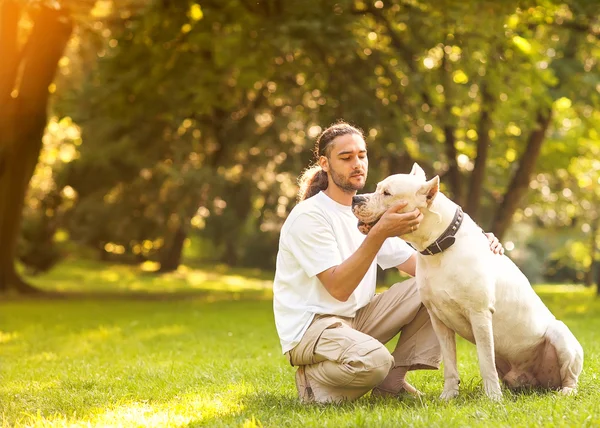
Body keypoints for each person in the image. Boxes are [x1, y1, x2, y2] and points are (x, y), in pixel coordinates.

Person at [272, 121, 504, 404]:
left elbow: (422, 266)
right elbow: (338, 288)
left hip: (357, 318)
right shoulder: (310, 217)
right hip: (313, 327)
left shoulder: (369, 211)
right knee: (375, 362)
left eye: (362, 155)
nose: (357, 164)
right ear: (324, 163)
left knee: (431, 286)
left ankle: (392, 382)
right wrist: (379, 233)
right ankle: (314, 381)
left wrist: (476, 243)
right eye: (345, 158)